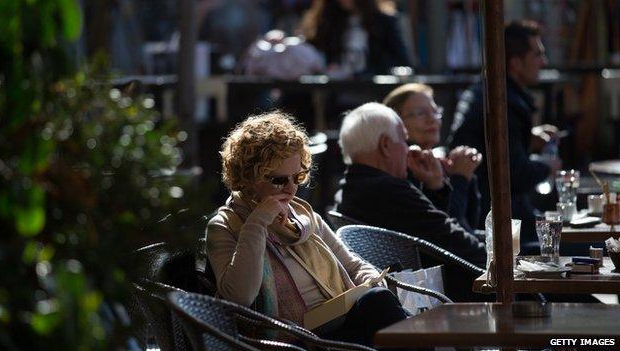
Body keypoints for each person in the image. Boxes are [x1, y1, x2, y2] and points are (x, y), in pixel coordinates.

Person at [206, 112, 407, 346]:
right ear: (250, 178)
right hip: (290, 340)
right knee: (382, 308)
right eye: (279, 180)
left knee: (379, 299)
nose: (292, 190)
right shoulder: (226, 226)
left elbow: (353, 265)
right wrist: (257, 223)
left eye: (298, 176)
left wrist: (371, 280)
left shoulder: (303, 216)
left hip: (338, 322)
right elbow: (239, 297)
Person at [448, 20, 561, 253]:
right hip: (497, 223)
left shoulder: (489, 92)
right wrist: (547, 166)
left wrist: (529, 140)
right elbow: (513, 174)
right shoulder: (503, 103)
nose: (544, 62)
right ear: (516, 63)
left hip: (488, 213)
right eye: (537, 54)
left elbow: (496, 147)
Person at [334, 102, 486, 264]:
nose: (408, 150)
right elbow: (453, 240)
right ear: (385, 145)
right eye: (404, 141)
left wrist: (435, 187)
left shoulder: (351, 185)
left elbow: (437, 230)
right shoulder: (388, 191)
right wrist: (502, 261)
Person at [384, 83, 483, 232]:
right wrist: (460, 177)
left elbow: (469, 224)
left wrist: (467, 174)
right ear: (396, 123)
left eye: (435, 111)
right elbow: (446, 228)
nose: (432, 120)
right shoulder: (404, 169)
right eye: (420, 113)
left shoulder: (438, 162)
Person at [299, 0, 410, 77]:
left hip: (372, 91)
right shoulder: (329, 20)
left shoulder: (384, 21)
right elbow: (313, 49)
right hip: (336, 95)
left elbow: (401, 60)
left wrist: (366, 73)